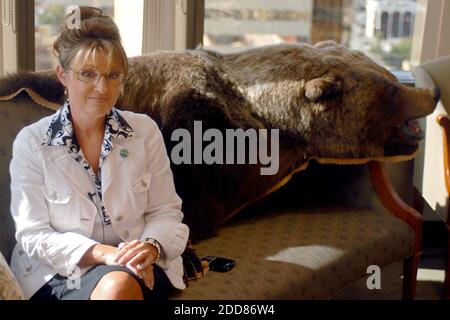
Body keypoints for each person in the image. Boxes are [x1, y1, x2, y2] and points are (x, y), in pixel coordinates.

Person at [9, 6, 189, 300]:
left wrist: (151, 246)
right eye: (88, 74)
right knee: (118, 287)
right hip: (59, 272)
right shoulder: (32, 143)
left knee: (120, 285)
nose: (102, 87)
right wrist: (107, 255)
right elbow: (33, 235)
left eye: (113, 75)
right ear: (62, 76)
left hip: (136, 264)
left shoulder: (145, 132)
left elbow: (166, 211)